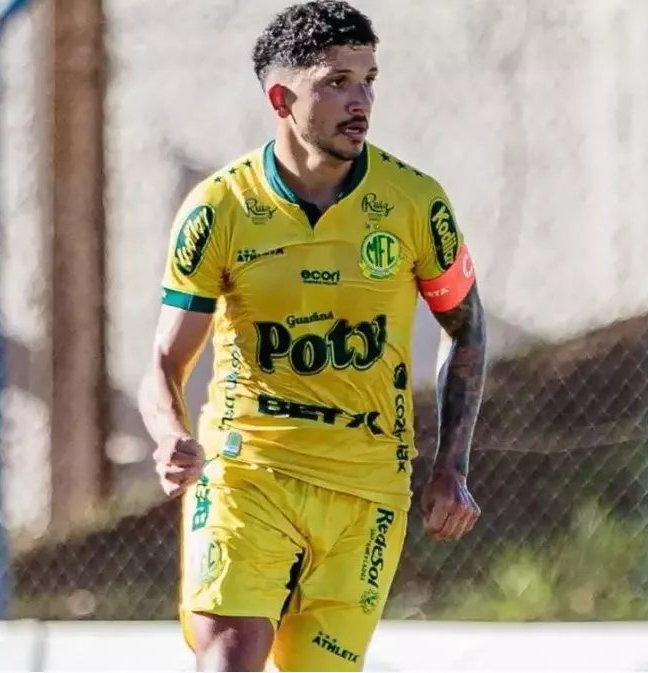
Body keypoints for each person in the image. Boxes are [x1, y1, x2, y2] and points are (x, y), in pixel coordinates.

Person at [138, 2, 487, 670]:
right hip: (247, 470)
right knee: (228, 654)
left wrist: (451, 465)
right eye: (336, 82)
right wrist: (168, 433)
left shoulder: (414, 203)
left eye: (369, 80)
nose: (361, 102)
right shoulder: (220, 209)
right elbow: (163, 359)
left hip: (365, 486)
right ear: (281, 98)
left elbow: (466, 330)